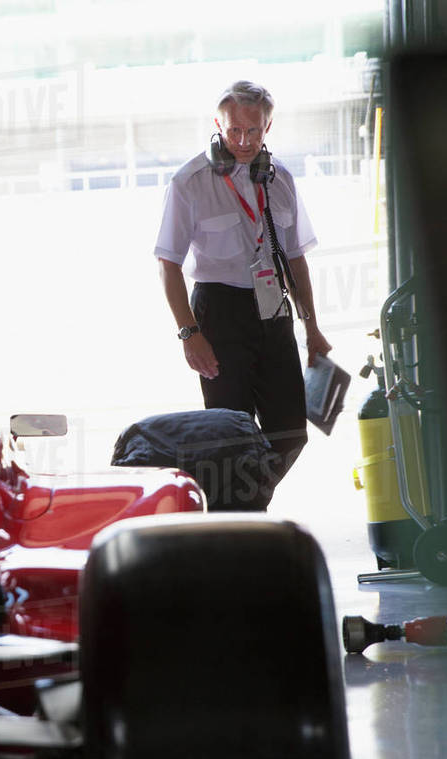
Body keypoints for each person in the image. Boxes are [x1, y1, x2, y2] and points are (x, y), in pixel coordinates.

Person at [154, 80, 331, 482]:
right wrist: (189, 333)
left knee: (290, 431)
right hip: (218, 311)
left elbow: (296, 258)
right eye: (234, 130)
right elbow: (167, 263)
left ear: (268, 128)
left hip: (274, 308)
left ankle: (247, 500)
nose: (244, 140)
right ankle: (235, 516)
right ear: (218, 124)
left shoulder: (280, 178)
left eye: (253, 131)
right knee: (229, 434)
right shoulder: (190, 182)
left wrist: (313, 328)